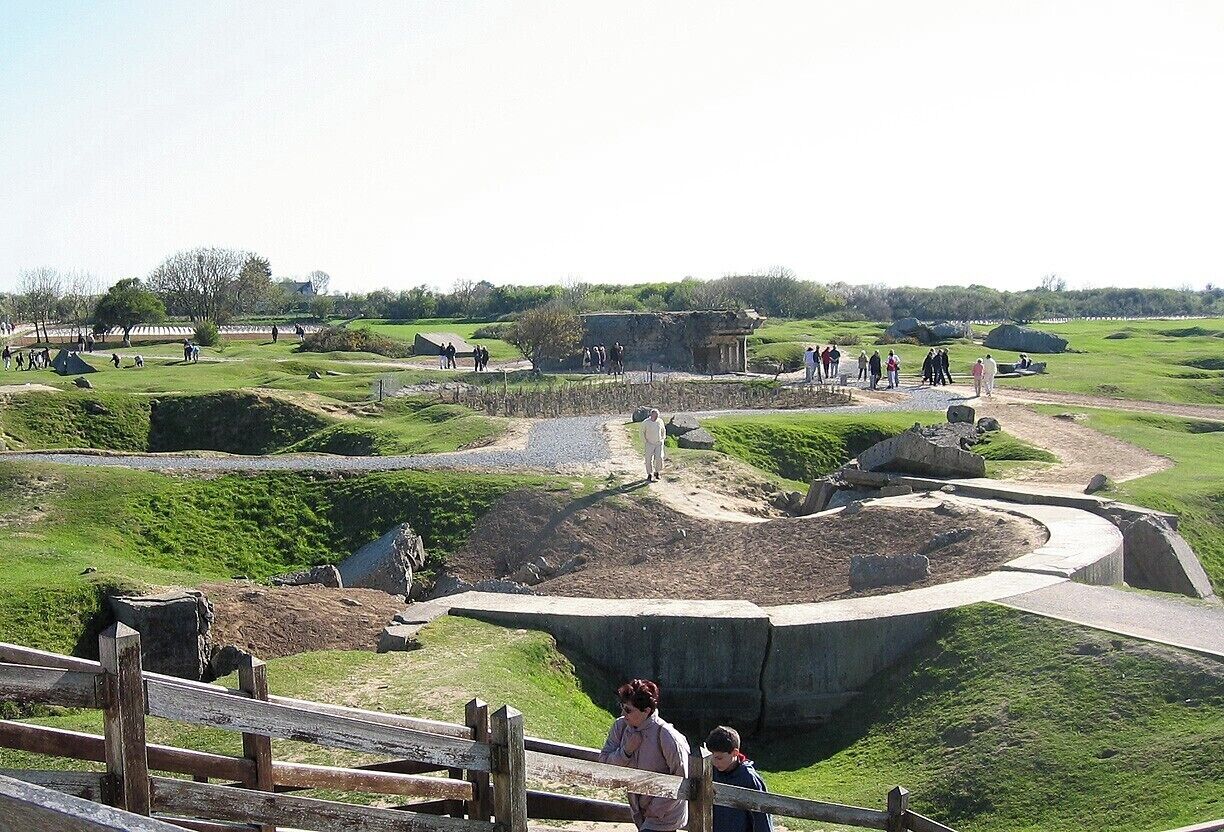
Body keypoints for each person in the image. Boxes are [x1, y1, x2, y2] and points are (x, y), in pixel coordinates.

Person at [600, 679, 690, 832]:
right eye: (622, 707)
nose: (623, 713)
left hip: (665, 815)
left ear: (646, 711)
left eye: (628, 710)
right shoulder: (620, 727)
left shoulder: (667, 735)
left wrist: (655, 809)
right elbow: (604, 764)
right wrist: (626, 752)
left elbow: (681, 780)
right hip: (640, 812)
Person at [706, 726, 773, 832]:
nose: (714, 762)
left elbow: (762, 819)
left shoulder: (749, 778)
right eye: (711, 756)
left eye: (719, 758)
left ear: (735, 753)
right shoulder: (710, 772)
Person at [642, 409, 666, 482]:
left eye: (657, 416)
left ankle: (657, 472)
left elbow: (663, 430)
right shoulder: (646, 422)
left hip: (658, 443)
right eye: (655, 415)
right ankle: (649, 474)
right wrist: (645, 441)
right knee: (648, 459)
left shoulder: (660, 421)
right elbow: (642, 432)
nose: (656, 417)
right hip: (649, 443)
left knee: (659, 458)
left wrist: (662, 439)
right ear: (651, 415)